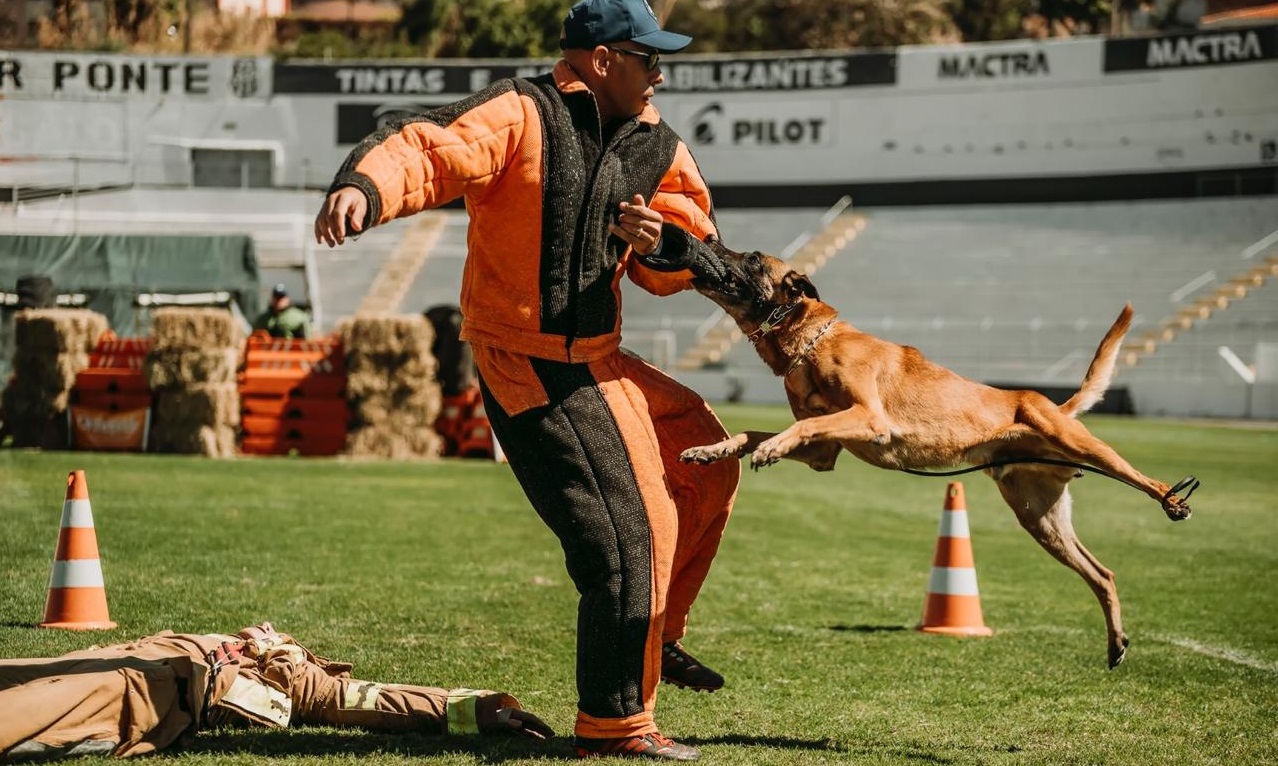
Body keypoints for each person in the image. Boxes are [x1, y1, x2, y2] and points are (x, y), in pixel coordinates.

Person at [313, 0, 741, 759]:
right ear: (603, 59)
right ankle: (616, 725)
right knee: (628, 535)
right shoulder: (519, 111)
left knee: (706, 460)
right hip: (526, 362)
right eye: (648, 58)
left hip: (597, 359)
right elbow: (426, 145)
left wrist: (666, 243)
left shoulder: (657, 143)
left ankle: (656, 634)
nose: (660, 71)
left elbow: (693, 248)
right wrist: (366, 187)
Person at [0, 622, 553, 760]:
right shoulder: (259, 646)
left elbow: (371, 701)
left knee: (27, 712)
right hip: (135, 656)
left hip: (151, 691)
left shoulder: (311, 685)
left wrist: (478, 710)